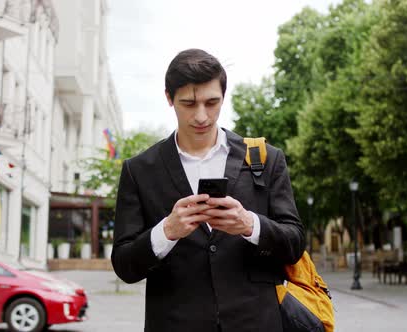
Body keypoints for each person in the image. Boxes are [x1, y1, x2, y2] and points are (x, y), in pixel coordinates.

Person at [111, 48, 305, 332]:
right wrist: (166, 232)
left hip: (257, 322)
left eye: (212, 102)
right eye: (188, 103)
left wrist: (250, 225)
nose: (201, 116)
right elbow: (124, 266)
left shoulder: (264, 158)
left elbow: (295, 243)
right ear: (169, 98)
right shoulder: (139, 170)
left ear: (223, 97)